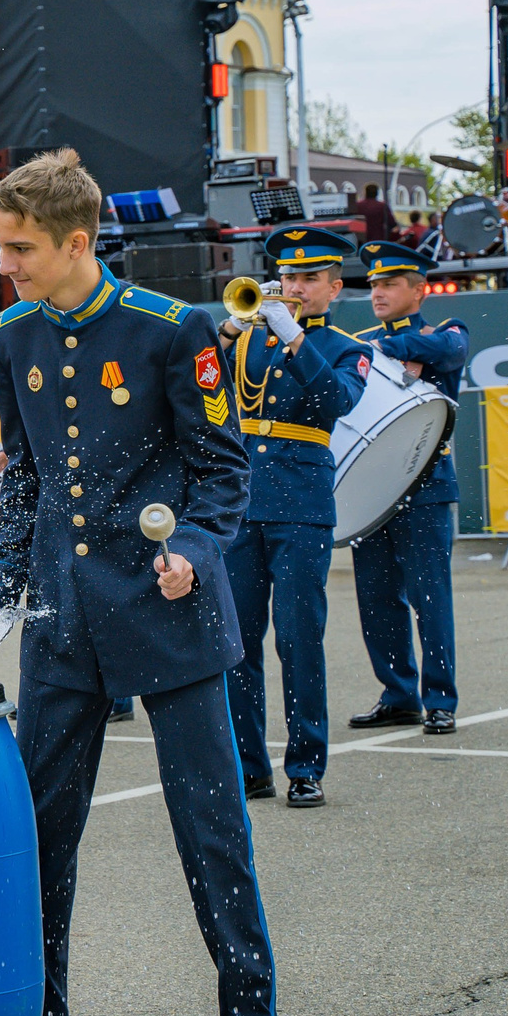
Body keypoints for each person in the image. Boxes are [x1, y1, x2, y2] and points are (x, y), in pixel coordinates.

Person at [0, 148, 279, 1016]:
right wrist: (0, 578)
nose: (4, 263)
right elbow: (24, 477)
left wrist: (193, 545)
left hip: (166, 611)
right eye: (0, 244)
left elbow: (224, 468)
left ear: (74, 241)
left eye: (18, 247)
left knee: (210, 826)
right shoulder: (9, 334)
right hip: (62, 623)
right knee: (39, 831)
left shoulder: (172, 329)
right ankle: (43, 1008)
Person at [222, 229, 367, 806]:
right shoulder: (246, 338)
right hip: (241, 504)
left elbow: (339, 403)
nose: (296, 287)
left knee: (300, 638)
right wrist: (230, 329)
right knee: (237, 641)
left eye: (310, 279)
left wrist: (296, 339)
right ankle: (249, 765)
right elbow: (199, 380)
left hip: (301, 505)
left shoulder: (345, 348)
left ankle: (306, 766)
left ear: (334, 287)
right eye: (289, 276)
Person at [345, 240, 468, 735]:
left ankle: (440, 698)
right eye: (373, 284)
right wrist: (382, 351)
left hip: (424, 485)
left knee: (429, 597)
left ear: (418, 291)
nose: (377, 292)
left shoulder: (445, 333)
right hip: (371, 488)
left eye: (389, 284)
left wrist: (388, 350)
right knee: (376, 599)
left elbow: (451, 349)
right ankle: (399, 695)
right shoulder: (362, 340)